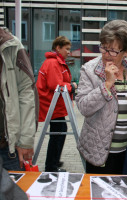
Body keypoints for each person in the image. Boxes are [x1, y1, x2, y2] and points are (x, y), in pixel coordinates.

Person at [76, 20, 127, 174]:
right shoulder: (90, 70)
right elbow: (83, 107)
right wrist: (107, 84)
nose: (107, 55)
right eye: (104, 48)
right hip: (99, 152)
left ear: (126, 50)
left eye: (113, 51)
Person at [37, 36, 77, 172]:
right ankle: (51, 166)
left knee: (60, 132)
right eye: (67, 49)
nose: (69, 52)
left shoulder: (56, 62)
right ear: (58, 48)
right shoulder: (53, 63)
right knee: (57, 134)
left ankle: (54, 161)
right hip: (52, 104)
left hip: (55, 105)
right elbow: (56, 85)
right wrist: (71, 86)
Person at [0, 27, 38, 171]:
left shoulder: (11, 45)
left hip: (7, 147)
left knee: (13, 192)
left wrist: (25, 140)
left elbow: (27, 90)